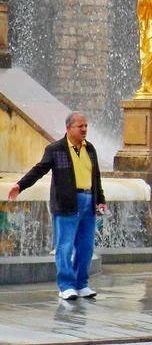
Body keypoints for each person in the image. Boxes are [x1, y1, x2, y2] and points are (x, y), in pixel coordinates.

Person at [7, 112, 106, 300]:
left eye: (86, 126)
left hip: (88, 200)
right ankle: (66, 286)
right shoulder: (56, 149)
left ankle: (81, 284)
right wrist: (20, 185)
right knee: (65, 246)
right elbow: (39, 169)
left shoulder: (90, 148)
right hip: (67, 202)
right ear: (68, 128)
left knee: (86, 247)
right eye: (80, 126)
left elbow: (96, 175)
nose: (84, 129)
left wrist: (100, 198)